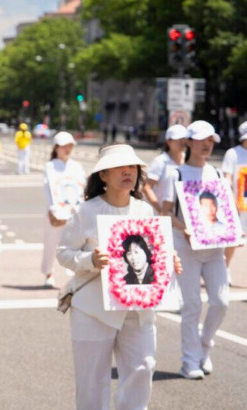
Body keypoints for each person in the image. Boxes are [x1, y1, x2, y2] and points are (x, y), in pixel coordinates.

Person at [57, 143, 182, 409]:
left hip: (137, 309)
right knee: (92, 381)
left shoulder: (145, 210)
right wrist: (88, 260)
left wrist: (168, 260)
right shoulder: (86, 211)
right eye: (119, 167)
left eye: (132, 167)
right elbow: (63, 253)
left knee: (142, 368)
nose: (128, 172)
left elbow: (154, 252)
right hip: (93, 309)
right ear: (103, 175)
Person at [160, 120, 229, 380]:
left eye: (211, 141)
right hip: (186, 247)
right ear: (188, 142)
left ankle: (204, 346)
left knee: (221, 302)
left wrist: (231, 231)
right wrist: (183, 228)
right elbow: (166, 212)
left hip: (214, 249)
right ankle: (189, 361)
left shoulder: (218, 174)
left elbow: (223, 213)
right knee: (191, 305)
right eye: (202, 140)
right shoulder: (175, 174)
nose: (207, 145)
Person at [41, 132, 86, 288]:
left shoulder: (77, 167)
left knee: (75, 244)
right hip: (56, 211)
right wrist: (51, 209)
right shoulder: (50, 166)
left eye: (70, 146)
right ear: (57, 147)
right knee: (52, 243)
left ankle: (74, 275)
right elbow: (48, 189)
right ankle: (49, 273)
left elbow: (82, 189)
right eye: (64, 146)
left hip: (74, 212)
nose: (67, 149)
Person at [220, 120, 247, 283]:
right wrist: (229, 199)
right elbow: (227, 177)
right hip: (237, 203)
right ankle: (226, 268)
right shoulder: (233, 153)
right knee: (233, 240)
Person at [143, 124, 186, 213]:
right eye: (178, 140)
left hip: (180, 215)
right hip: (161, 214)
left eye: (184, 139)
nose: (182, 143)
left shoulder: (188, 161)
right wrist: (160, 210)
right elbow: (147, 187)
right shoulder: (160, 161)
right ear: (168, 142)